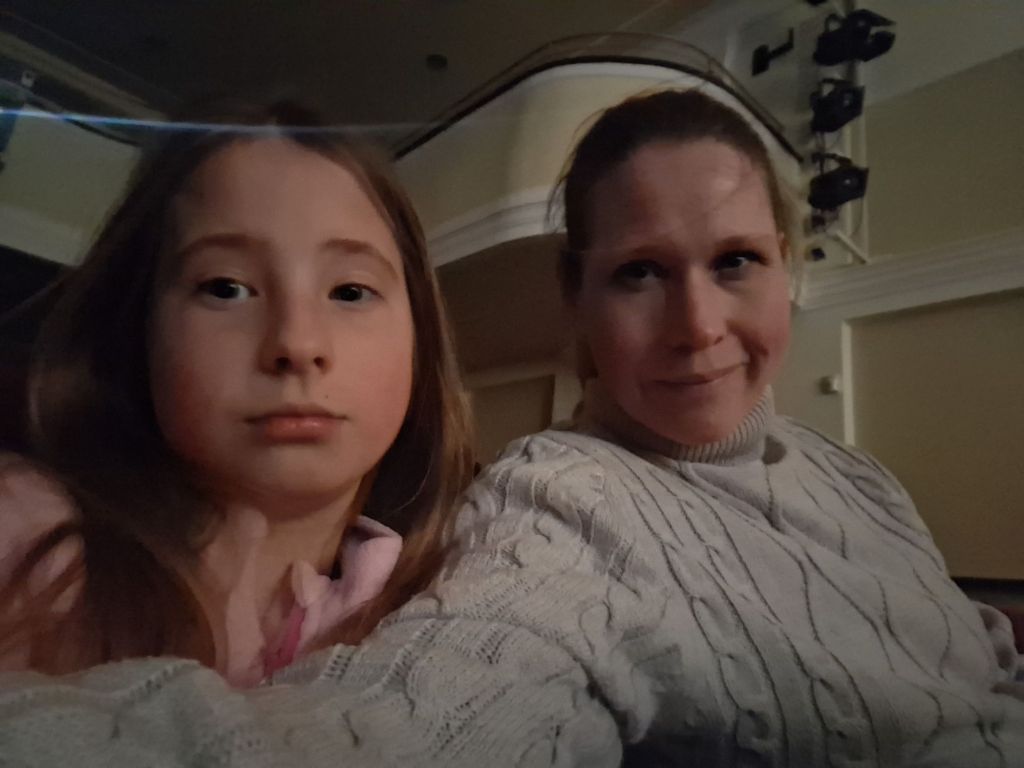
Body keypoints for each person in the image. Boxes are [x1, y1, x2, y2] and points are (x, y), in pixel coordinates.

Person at [1, 89, 1021, 767]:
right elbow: (419, 724)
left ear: (785, 268)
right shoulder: (560, 503)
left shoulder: (857, 476)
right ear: (575, 299)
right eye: (640, 273)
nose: (699, 325)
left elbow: (967, 649)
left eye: (736, 262)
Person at [0, 101, 474, 687]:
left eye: (350, 292)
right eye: (225, 288)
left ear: (420, 342)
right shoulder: (31, 544)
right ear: (137, 329)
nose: (297, 343)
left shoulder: (454, 603)